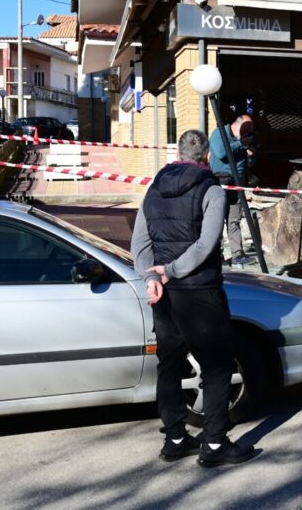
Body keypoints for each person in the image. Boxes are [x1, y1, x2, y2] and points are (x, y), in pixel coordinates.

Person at [131, 129, 259, 467]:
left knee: (169, 364)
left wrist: (153, 277)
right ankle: (214, 445)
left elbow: (139, 245)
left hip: (165, 295)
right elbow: (206, 245)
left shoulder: (154, 188)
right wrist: (171, 271)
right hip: (199, 291)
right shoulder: (211, 190)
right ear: (206, 157)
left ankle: (175, 439)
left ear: (178, 153)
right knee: (217, 367)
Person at [208, 114, 256, 266]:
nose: (248, 131)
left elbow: (250, 162)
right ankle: (217, 255)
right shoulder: (219, 133)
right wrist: (240, 144)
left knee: (234, 220)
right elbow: (222, 153)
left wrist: (251, 153)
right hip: (220, 181)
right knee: (218, 219)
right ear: (237, 125)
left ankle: (238, 254)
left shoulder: (244, 138)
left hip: (237, 183)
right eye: (246, 127)